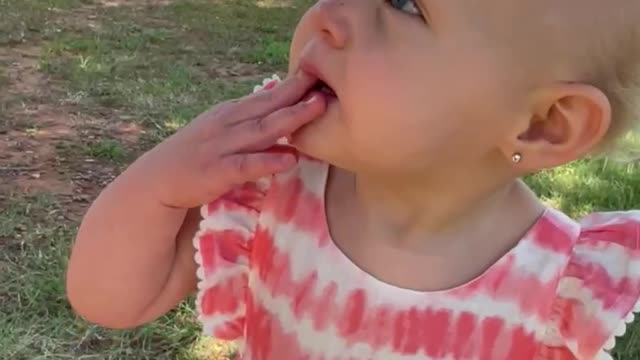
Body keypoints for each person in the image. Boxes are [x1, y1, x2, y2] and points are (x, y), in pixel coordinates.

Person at [65, 0, 640, 359]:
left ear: (543, 124)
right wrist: (163, 179)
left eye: (403, 4)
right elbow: (109, 300)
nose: (330, 14)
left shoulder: (559, 292)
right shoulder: (272, 183)